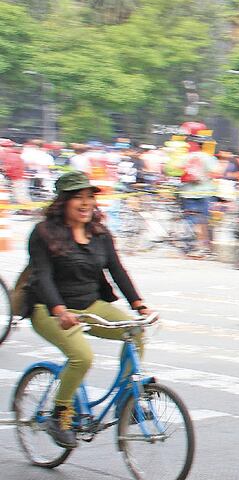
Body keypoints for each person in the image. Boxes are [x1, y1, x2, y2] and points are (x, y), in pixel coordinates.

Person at [24, 171, 154, 448]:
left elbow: (117, 270)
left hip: (91, 305)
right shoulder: (43, 233)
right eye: (77, 198)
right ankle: (59, 416)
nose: (85, 204)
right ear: (63, 202)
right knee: (82, 357)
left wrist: (139, 305)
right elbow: (43, 277)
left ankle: (125, 403)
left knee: (136, 332)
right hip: (49, 309)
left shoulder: (100, 233)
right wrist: (60, 311)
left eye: (89, 198)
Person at [178, 138, 220, 258]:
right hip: (205, 192)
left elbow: (178, 169)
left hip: (187, 192)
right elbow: (217, 173)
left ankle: (190, 247)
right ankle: (205, 248)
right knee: (205, 220)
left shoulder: (187, 156)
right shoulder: (208, 157)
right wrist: (205, 176)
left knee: (190, 220)